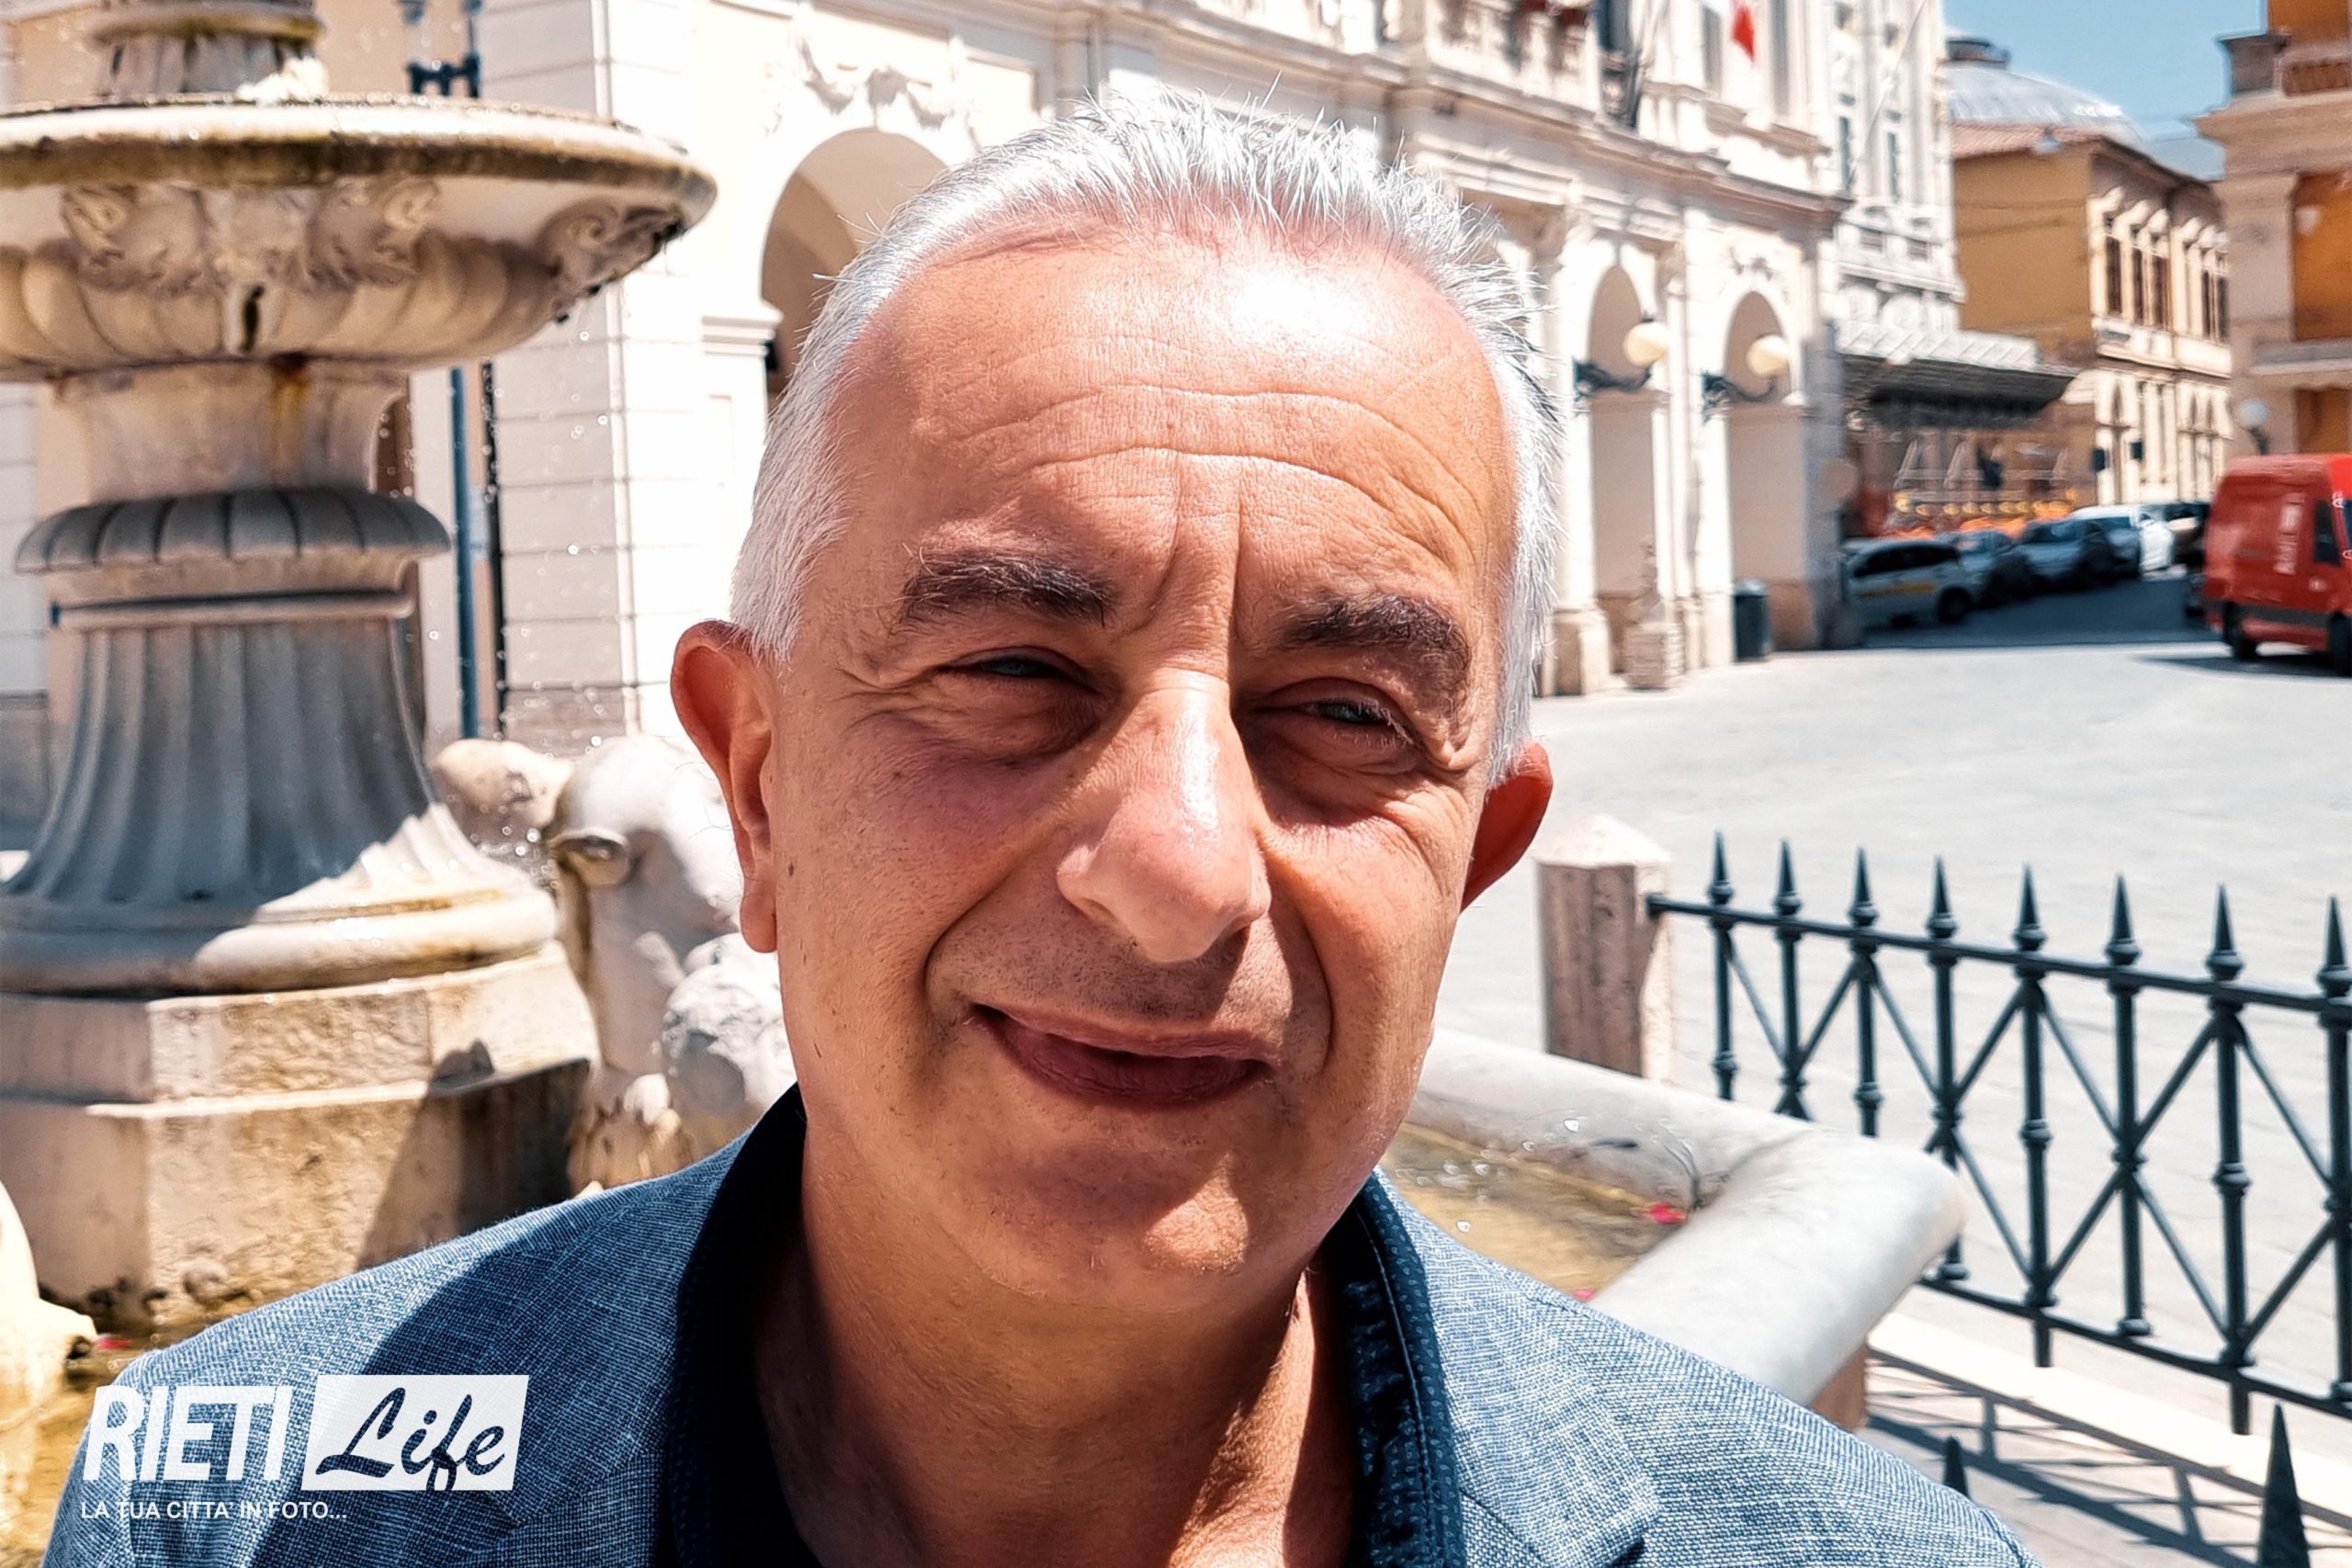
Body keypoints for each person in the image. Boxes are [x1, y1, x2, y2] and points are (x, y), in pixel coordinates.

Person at [45, 94, 2034, 1567]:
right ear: (755, 786)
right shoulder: (229, 1499)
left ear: (1474, 854)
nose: (1175, 870)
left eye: (1342, 716)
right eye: (1012, 671)